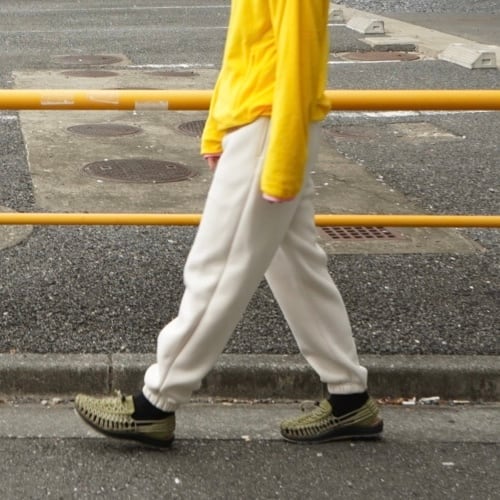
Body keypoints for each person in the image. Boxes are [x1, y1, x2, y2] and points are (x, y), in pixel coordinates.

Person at [74, 0, 383, 447]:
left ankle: (156, 403)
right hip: (264, 124)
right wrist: (218, 128)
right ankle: (349, 397)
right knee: (298, 270)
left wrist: (281, 162)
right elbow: (246, 50)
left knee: (217, 268)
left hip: (268, 128)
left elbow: (298, 58)